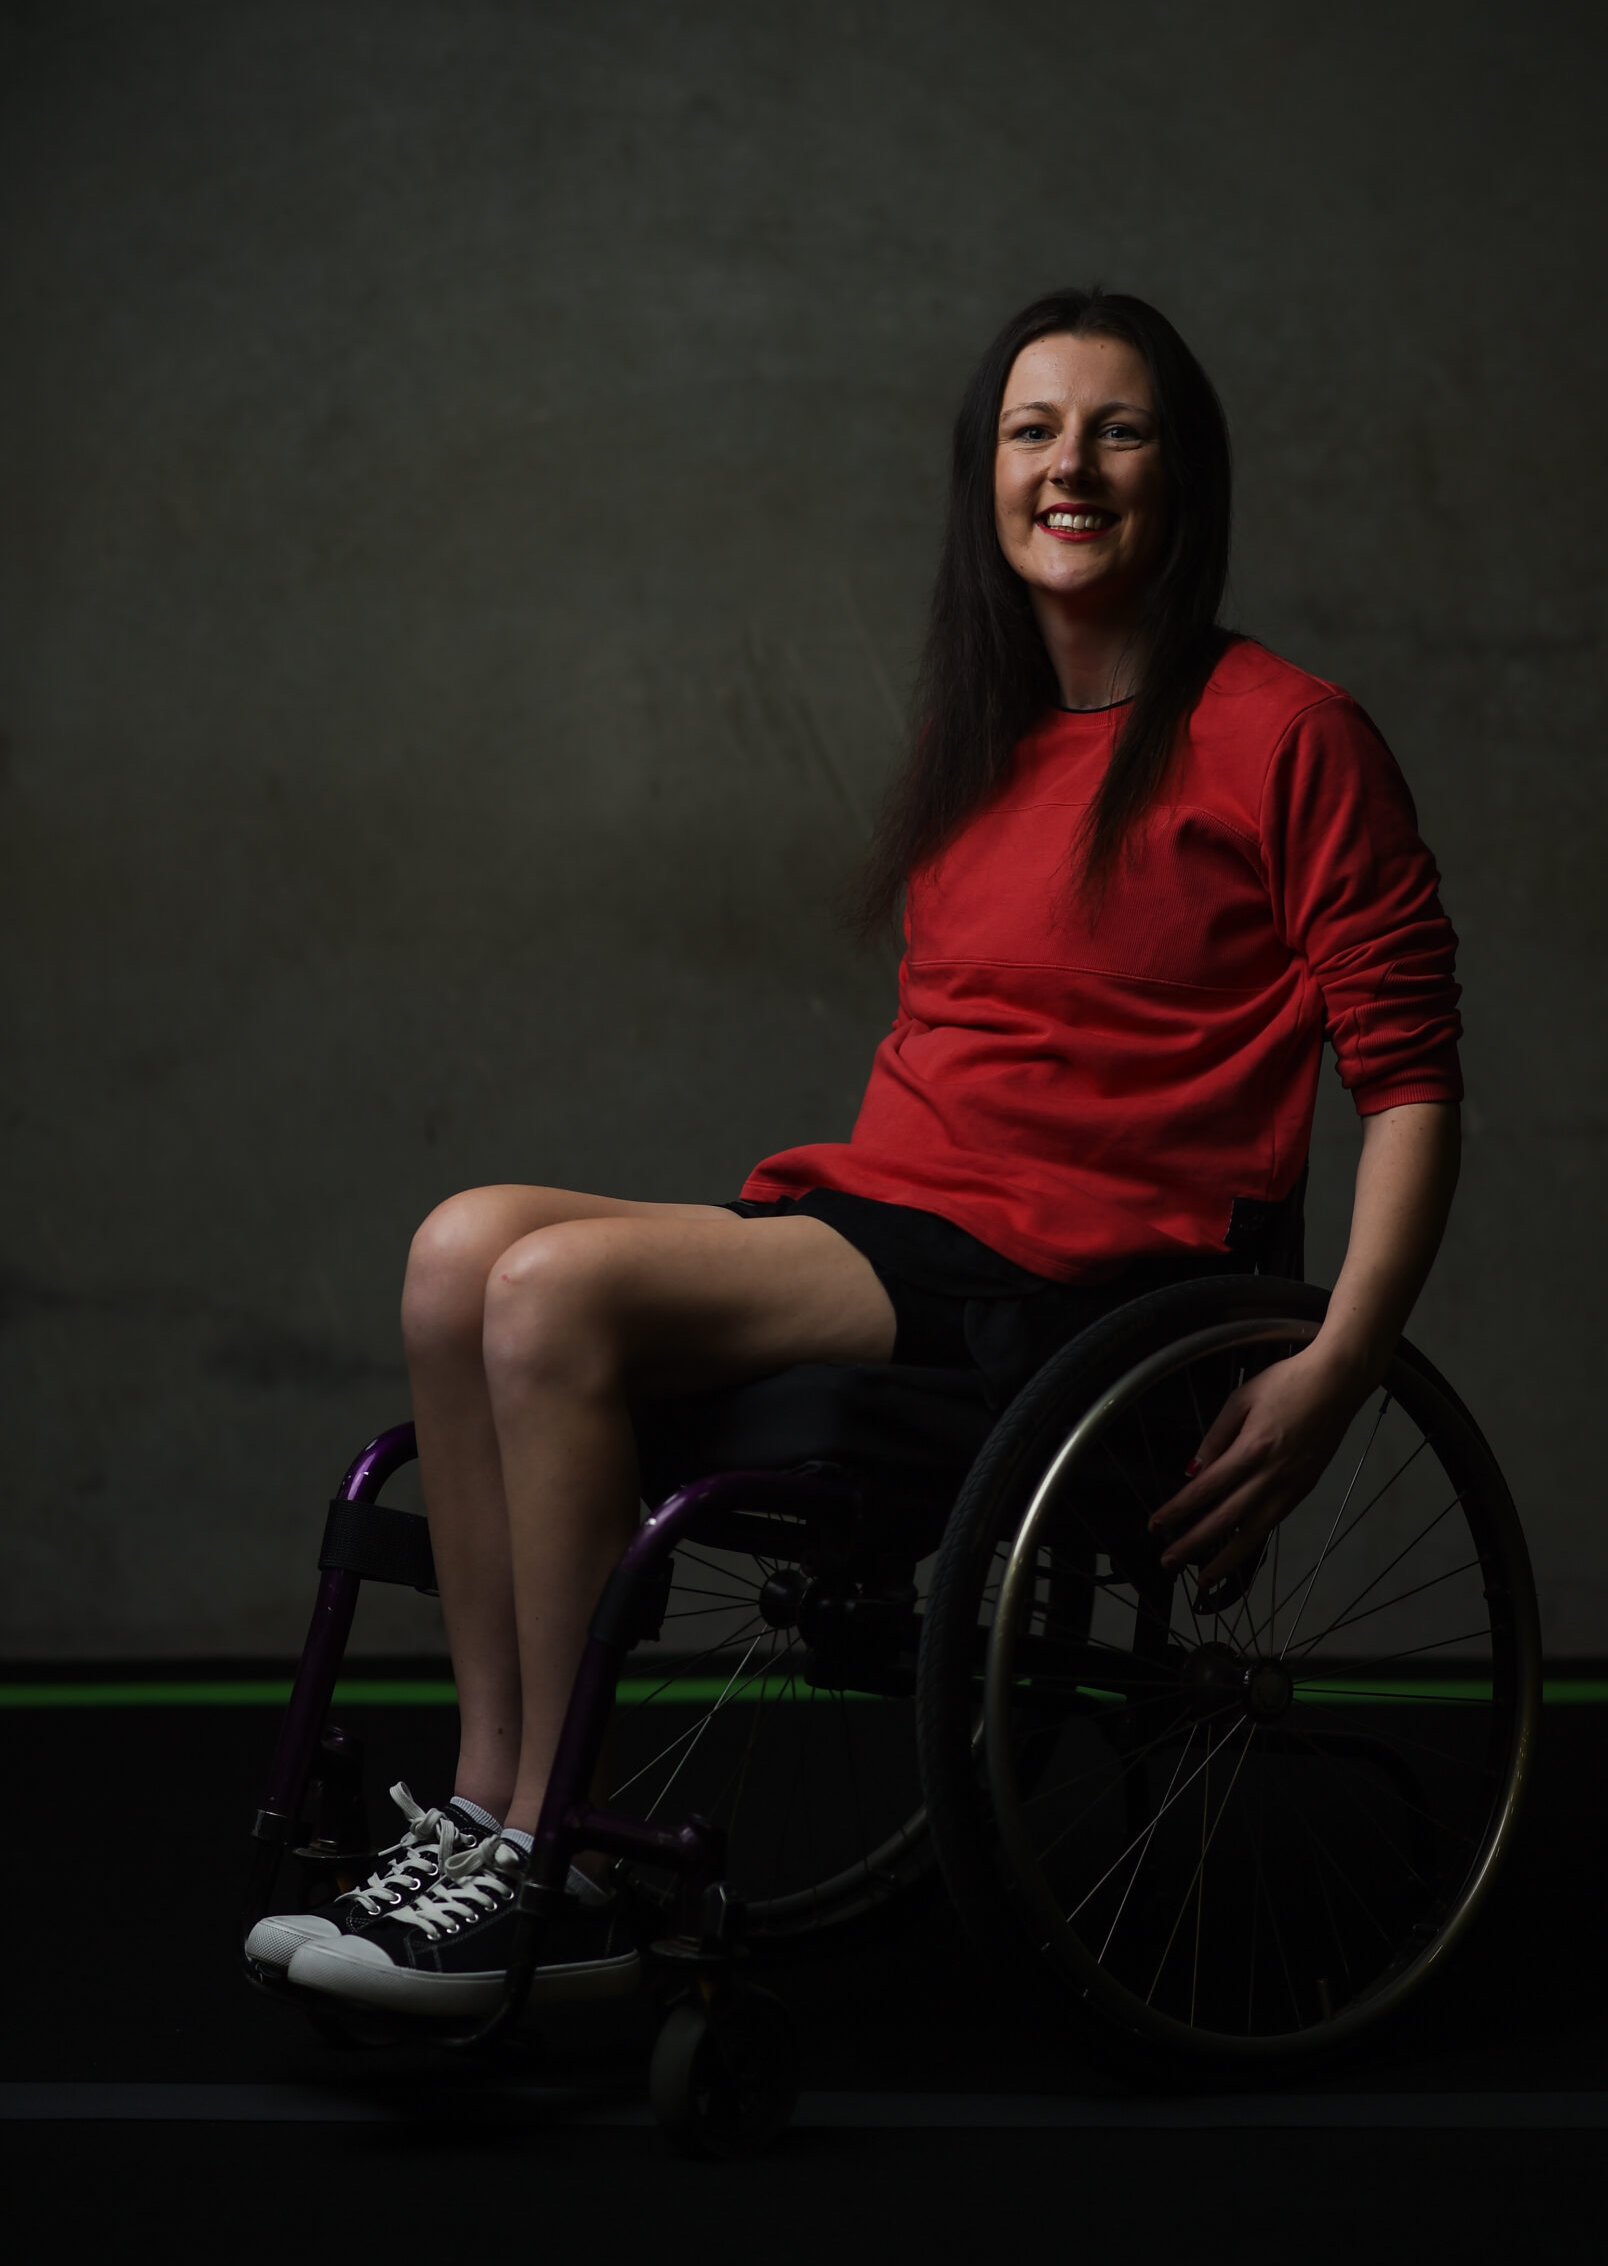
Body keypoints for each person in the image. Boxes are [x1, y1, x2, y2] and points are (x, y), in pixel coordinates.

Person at [248, 287, 1463, 2014]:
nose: (1073, 464)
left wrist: (1342, 1358)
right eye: (1034, 430)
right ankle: (493, 1812)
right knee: (459, 1250)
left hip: (1074, 1284)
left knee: (551, 1295)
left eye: (1119, 429)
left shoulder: (1288, 733)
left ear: (1183, 478)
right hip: (907, 1221)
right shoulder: (981, 740)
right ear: (986, 475)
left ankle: (559, 1864)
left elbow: (1410, 1079)